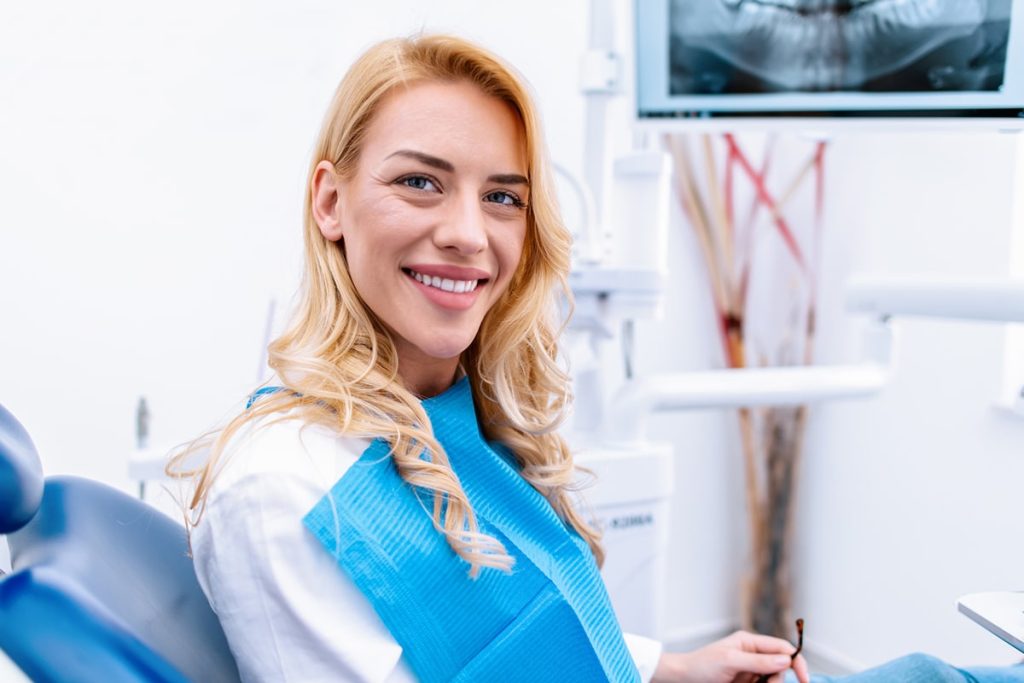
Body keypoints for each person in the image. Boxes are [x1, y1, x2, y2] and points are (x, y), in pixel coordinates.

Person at [170, 34, 1023, 683]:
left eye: (503, 196)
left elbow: (515, 635)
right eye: (420, 182)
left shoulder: (445, 413)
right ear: (331, 201)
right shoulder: (286, 487)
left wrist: (664, 667)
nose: (469, 232)